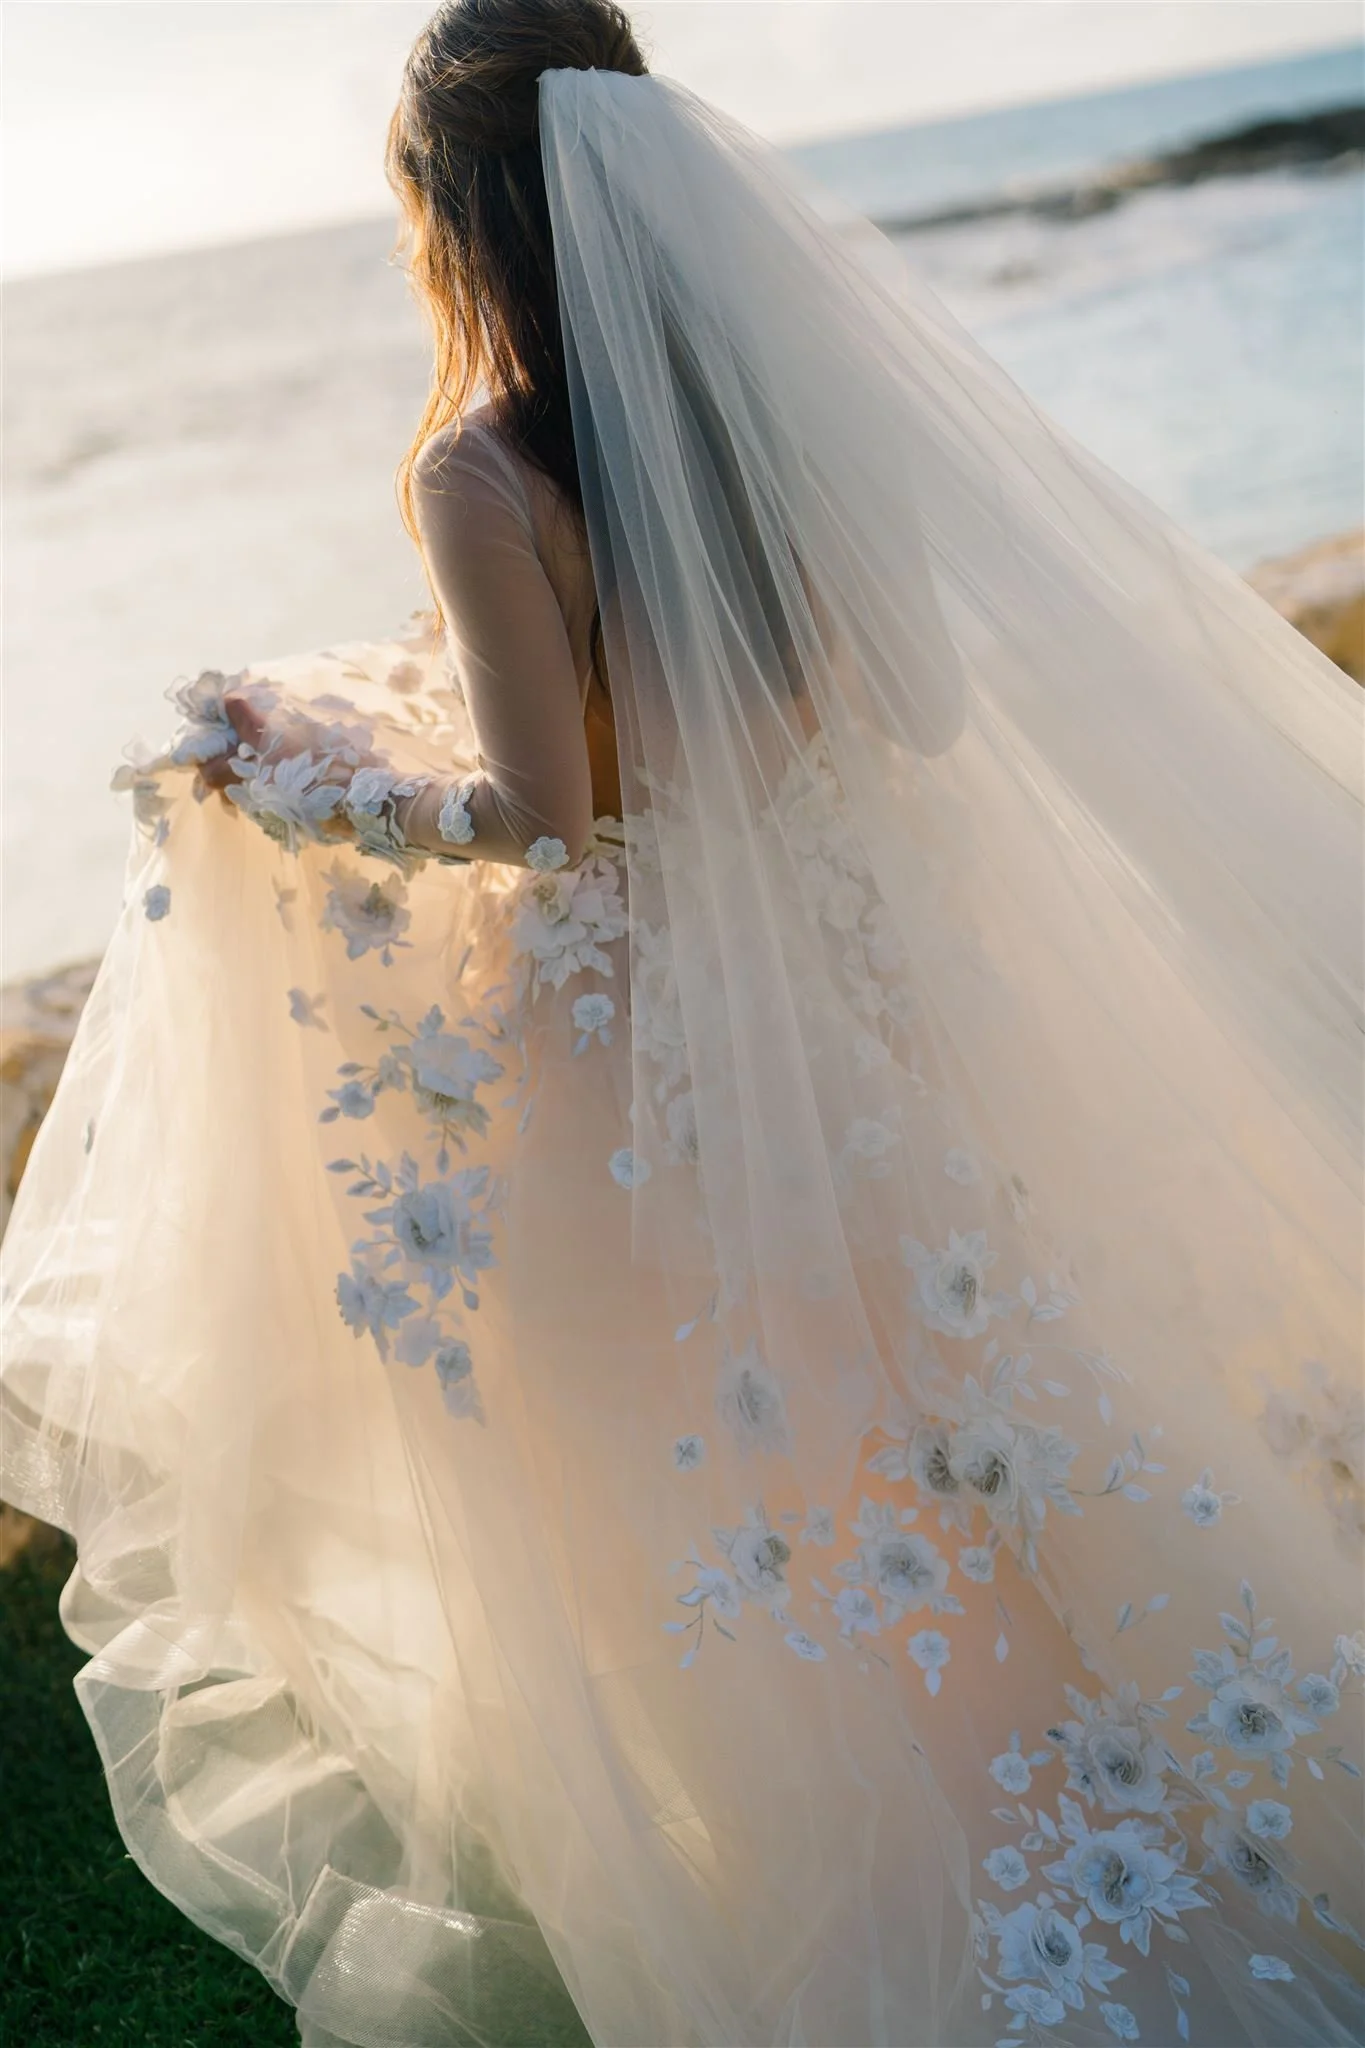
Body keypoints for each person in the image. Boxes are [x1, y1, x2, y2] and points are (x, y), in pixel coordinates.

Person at [3, 3, 1362, 2043]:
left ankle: (905, 1907)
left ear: (450, 213)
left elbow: (546, 818)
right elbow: (896, 710)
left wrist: (287, 782)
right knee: (951, 1460)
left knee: (750, 1520)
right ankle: (1108, 1833)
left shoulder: (478, 469)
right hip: (861, 1027)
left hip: (641, 1074)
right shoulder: (771, 418)